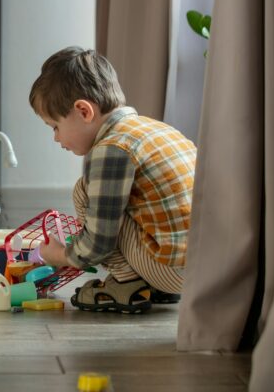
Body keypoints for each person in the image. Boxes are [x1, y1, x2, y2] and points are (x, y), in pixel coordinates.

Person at [28, 46, 197, 313]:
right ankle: (148, 282)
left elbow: (99, 244)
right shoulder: (158, 128)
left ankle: (125, 283)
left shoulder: (111, 149)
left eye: (55, 127)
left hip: (174, 272)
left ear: (84, 111)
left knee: (85, 191)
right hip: (205, 268)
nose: (56, 139)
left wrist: (59, 256)